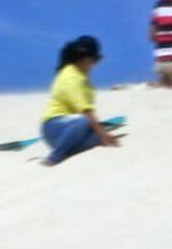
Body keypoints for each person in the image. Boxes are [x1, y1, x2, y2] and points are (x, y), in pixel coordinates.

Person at [40, 37, 123, 165]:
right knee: (85, 122)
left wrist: (102, 134)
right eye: (95, 60)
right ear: (84, 58)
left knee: (96, 137)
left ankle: (69, 149)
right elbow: (86, 112)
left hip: (72, 129)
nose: (95, 64)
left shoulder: (81, 77)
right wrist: (103, 134)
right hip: (54, 126)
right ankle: (54, 157)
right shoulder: (71, 77)